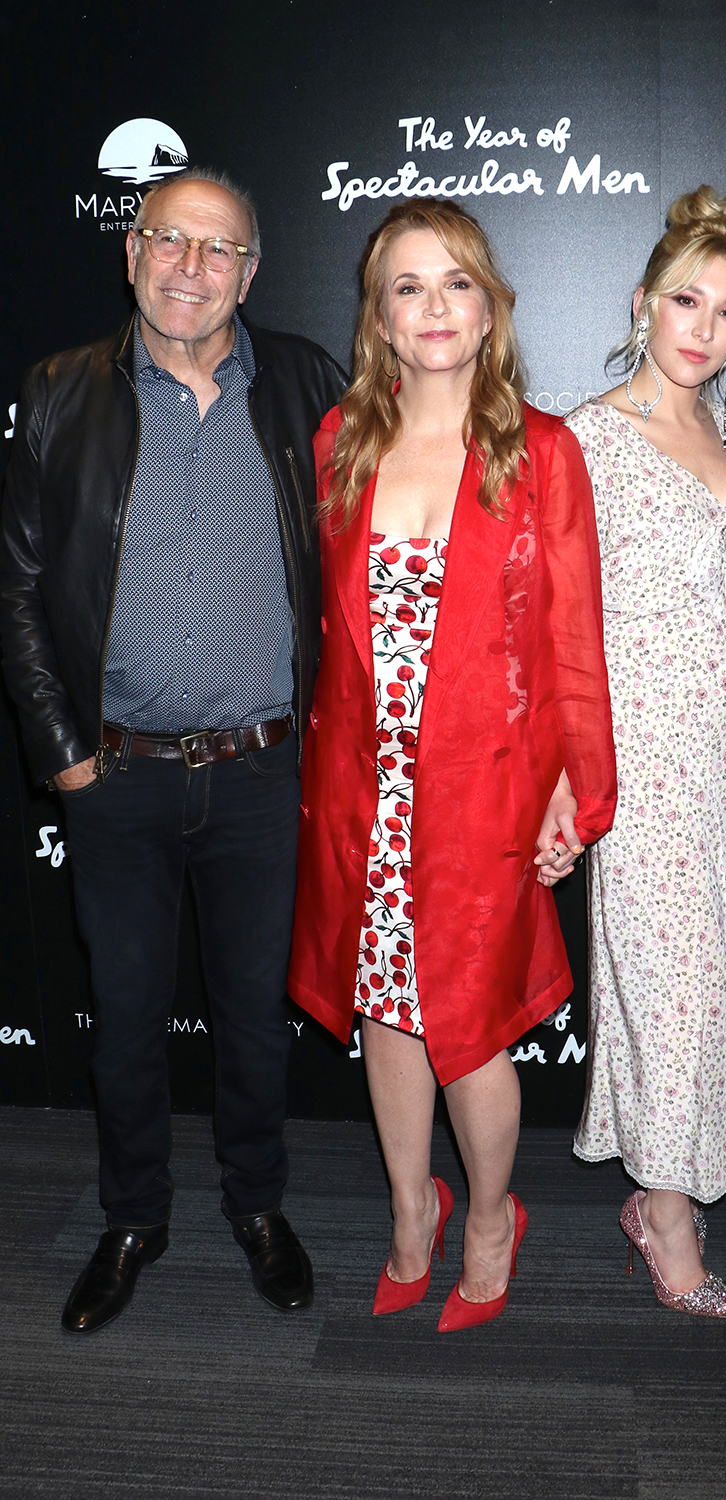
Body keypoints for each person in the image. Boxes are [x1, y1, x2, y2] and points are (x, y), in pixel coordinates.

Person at [0, 168, 347, 1333]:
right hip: (118, 780)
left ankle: (257, 1206)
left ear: (250, 272)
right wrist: (65, 759)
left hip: (262, 779)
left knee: (255, 1021)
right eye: (169, 242)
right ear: (130, 252)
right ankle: (132, 1218)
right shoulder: (56, 392)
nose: (189, 268)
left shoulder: (305, 382)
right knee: (129, 1022)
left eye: (219, 250)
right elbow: (18, 589)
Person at [288, 200, 616, 1331]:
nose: (435, 307)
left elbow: (573, 640)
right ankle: (406, 1210)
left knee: (467, 1022)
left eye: (456, 283)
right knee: (387, 1013)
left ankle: (488, 1213)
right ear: (379, 317)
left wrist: (576, 784)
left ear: (490, 308)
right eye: (408, 287)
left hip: (486, 791)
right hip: (365, 796)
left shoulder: (542, 451)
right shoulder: (343, 442)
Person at [564, 187, 726, 1319]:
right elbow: (546, 628)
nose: (705, 325)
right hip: (638, 756)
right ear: (643, 303)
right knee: (669, 989)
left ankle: (673, 1188)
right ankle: (668, 1216)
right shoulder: (587, 440)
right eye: (685, 298)